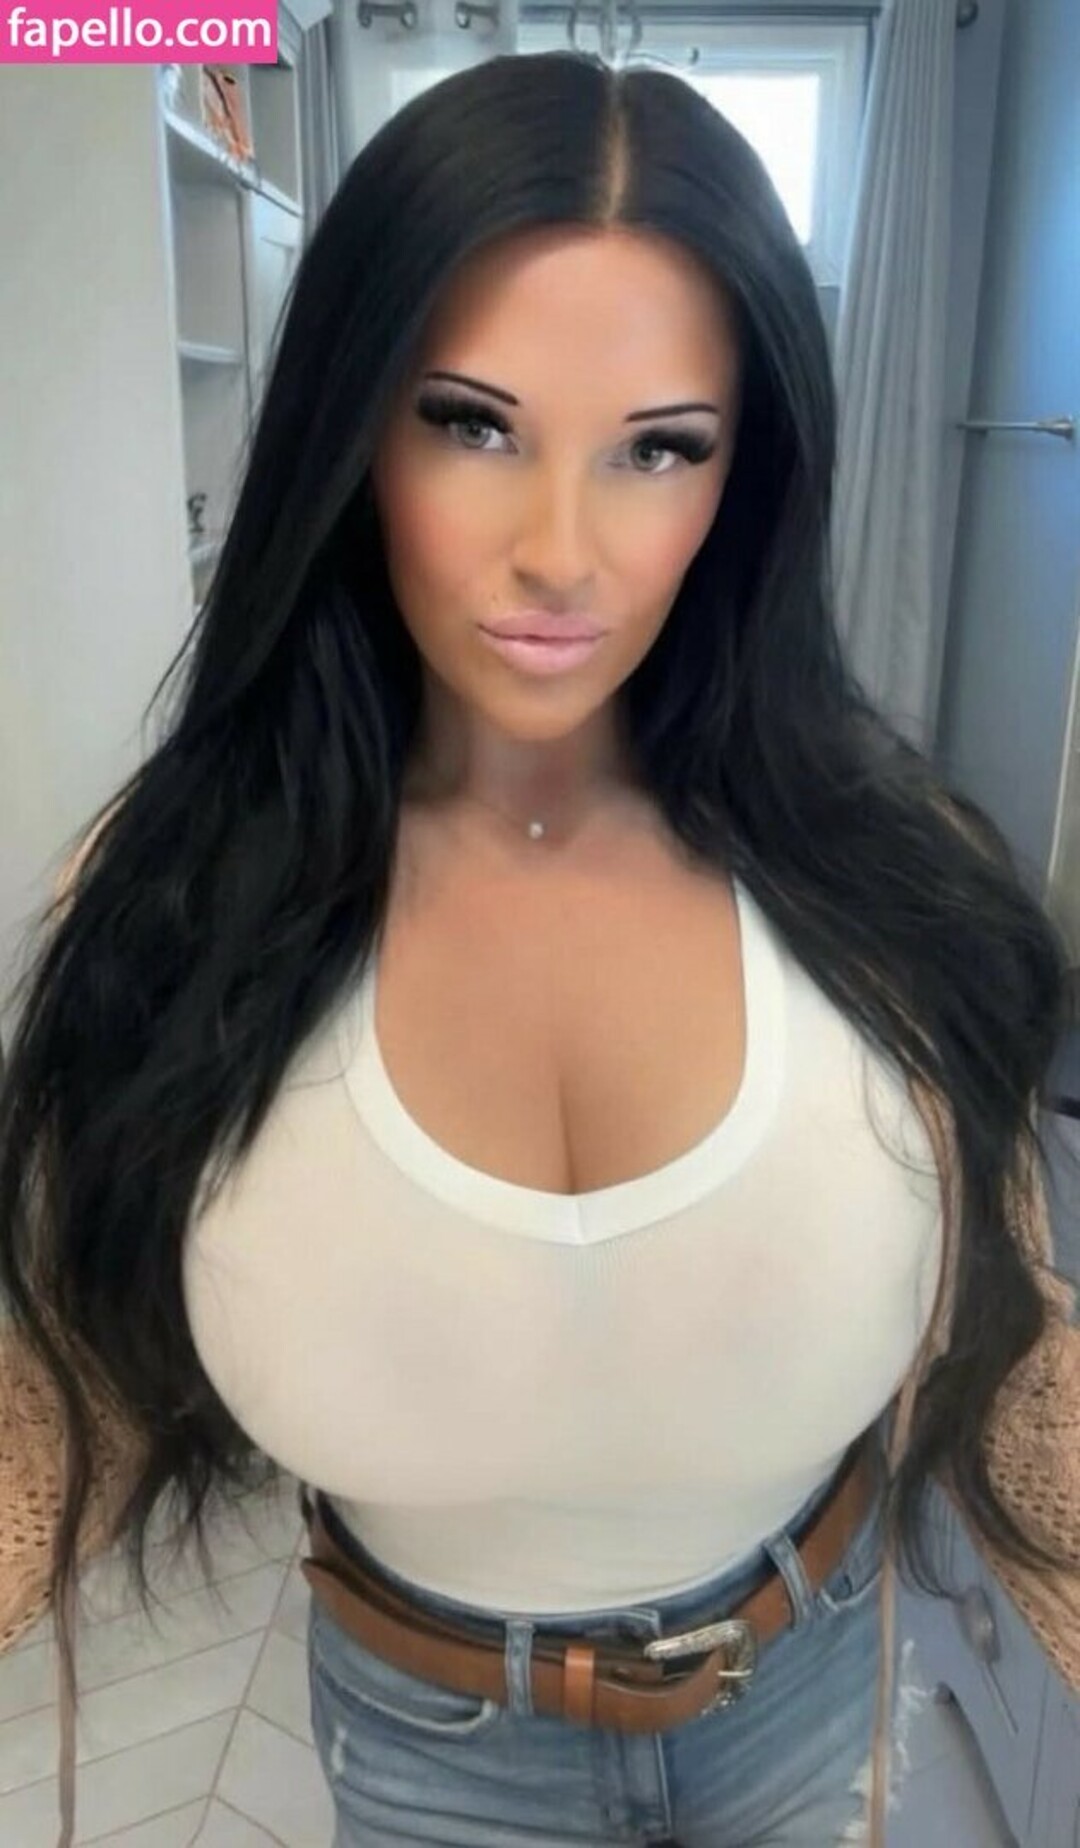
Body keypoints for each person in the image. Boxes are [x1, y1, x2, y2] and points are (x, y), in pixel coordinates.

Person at [2, 48, 1078, 1848]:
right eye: (472, 424)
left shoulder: (900, 889)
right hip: (426, 1737)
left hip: (808, 1681)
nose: (560, 553)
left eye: (659, 448)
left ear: (745, 474)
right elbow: (66, 1383)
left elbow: (1017, 1343)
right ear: (354, 426)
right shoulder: (178, 896)